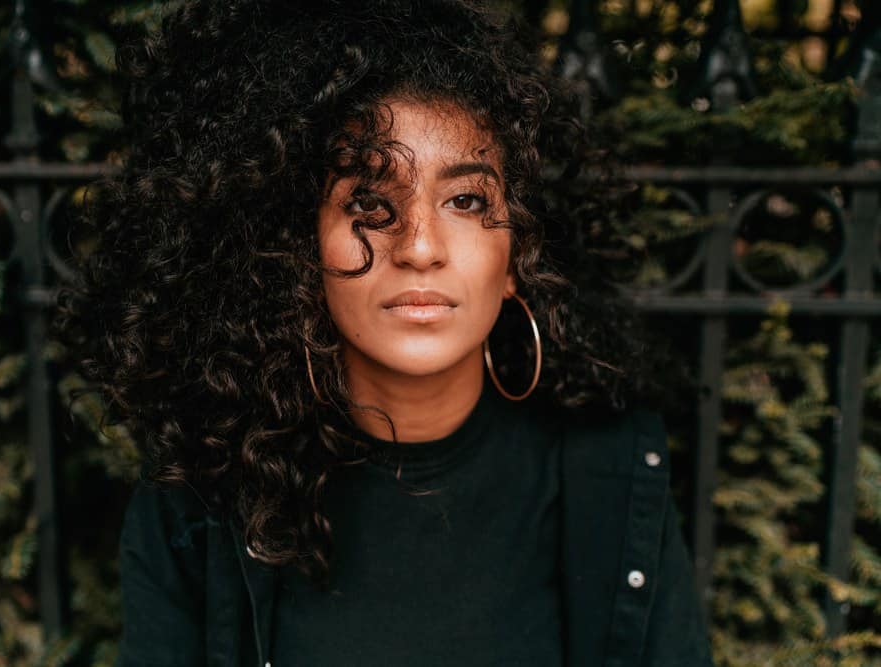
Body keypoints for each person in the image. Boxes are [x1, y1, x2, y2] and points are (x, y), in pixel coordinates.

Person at [54, 0, 713, 664]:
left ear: (520, 252)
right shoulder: (199, 494)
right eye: (369, 202)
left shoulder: (611, 469)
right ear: (295, 247)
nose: (421, 246)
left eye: (466, 200)